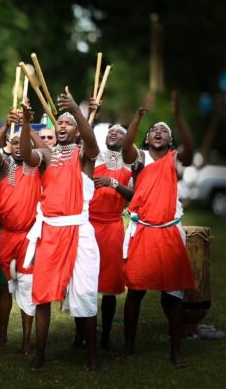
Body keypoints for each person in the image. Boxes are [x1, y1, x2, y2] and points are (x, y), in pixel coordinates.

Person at [19, 87, 101, 371]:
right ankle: (40, 353)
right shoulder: (47, 155)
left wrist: (77, 111)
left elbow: (94, 148)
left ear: (77, 131)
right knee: (41, 294)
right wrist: (26, 123)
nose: (63, 126)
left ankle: (92, 355)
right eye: (60, 123)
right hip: (50, 233)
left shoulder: (84, 156)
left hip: (79, 232)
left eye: (69, 124)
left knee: (86, 293)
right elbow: (28, 155)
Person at [119, 92, 195, 367]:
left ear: (170, 140)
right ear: (147, 139)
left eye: (164, 130)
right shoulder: (138, 158)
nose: (158, 132)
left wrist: (178, 116)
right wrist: (139, 118)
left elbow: (190, 148)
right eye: (154, 130)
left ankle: (176, 351)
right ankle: (129, 346)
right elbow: (126, 147)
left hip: (169, 232)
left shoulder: (174, 160)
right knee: (136, 291)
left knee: (173, 294)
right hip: (142, 232)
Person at [0, 108, 43, 354]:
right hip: (5, 234)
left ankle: (27, 339)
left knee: (28, 286)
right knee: (4, 287)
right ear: (9, 145)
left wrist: (28, 126)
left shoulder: (38, 166)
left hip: (30, 236)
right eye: (14, 141)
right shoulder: (3, 165)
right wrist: (5, 124)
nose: (19, 146)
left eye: (24, 142)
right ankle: (3, 335)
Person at [83, 124, 133, 351]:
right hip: (89, 223)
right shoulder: (93, 158)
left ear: (127, 139)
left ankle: (105, 336)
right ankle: (80, 334)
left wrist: (113, 183)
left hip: (113, 226)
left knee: (110, 285)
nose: (114, 133)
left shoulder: (131, 164)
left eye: (120, 132)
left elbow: (134, 195)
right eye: (111, 131)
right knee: (85, 281)